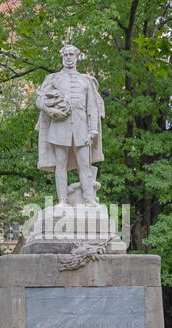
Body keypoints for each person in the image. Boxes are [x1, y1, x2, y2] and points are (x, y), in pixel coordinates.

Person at [35, 45, 104, 207]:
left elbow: (92, 107)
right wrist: (51, 110)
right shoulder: (53, 79)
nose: (68, 57)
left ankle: (89, 200)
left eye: (71, 54)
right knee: (61, 165)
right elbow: (39, 100)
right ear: (62, 57)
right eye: (65, 54)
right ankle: (63, 201)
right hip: (59, 127)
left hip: (82, 128)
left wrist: (93, 129)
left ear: (77, 56)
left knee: (85, 165)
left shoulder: (86, 80)